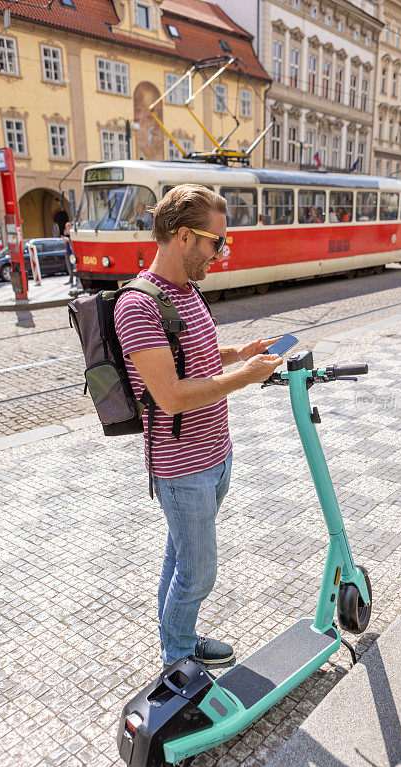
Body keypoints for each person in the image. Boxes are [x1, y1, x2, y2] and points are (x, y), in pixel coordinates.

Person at [114, 185, 282, 669]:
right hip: (182, 469)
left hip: (215, 457)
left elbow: (195, 357)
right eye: (215, 242)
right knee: (199, 571)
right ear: (184, 236)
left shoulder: (187, 292)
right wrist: (243, 379)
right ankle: (177, 657)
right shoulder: (139, 306)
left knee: (181, 558)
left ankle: (178, 637)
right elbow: (169, 395)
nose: (220, 253)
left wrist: (240, 353)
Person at [61, 221, 74, 286]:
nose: (68, 227)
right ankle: (71, 280)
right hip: (67, 252)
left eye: (69, 225)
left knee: (74, 267)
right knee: (69, 267)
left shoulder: (73, 232)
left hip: (73, 253)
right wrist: (64, 240)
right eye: (66, 226)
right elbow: (65, 243)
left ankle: (78, 281)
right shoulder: (65, 233)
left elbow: (73, 240)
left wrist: (68, 239)